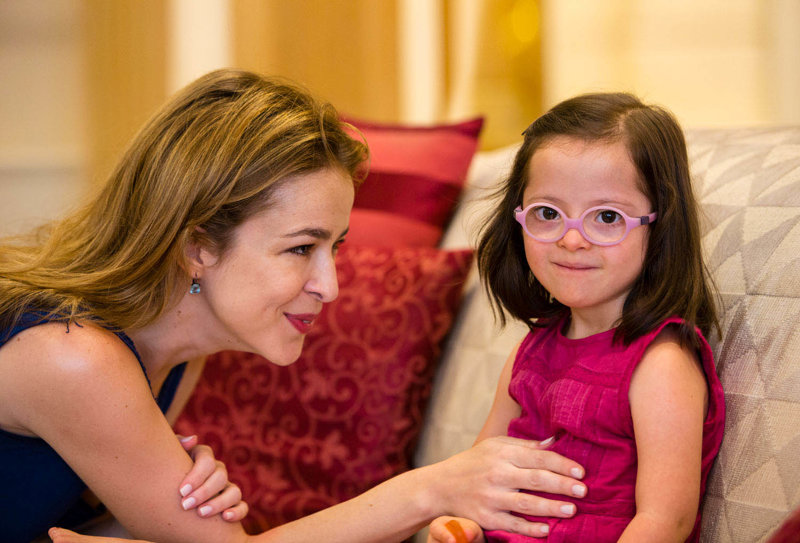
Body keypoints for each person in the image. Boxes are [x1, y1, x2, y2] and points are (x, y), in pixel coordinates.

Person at [0, 69, 590, 543]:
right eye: (301, 248)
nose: (329, 286)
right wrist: (433, 489)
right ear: (198, 247)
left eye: (335, 247)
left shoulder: (179, 349)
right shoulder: (74, 358)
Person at [427, 93, 725, 542]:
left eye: (606, 216)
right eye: (548, 213)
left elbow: (666, 521)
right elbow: (479, 476)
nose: (571, 239)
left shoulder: (660, 365)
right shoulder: (530, 352)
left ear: (660, 226)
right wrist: (461, 526)